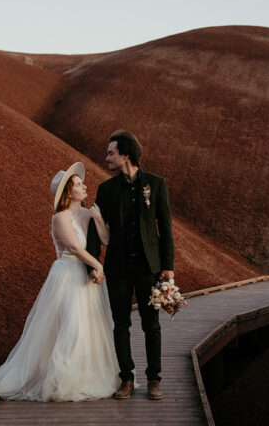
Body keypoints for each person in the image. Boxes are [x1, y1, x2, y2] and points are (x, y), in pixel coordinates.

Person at [0, 162, 120, 401]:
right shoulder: (60, 218)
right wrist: (96, 264)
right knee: (70, 326)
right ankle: (61, 378)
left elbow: (106, 240)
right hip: (67, 276)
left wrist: (97, 217)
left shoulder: (87, 213)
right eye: (78, 185)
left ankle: (83, 374)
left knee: (90, 327)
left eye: (81, 183)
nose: (84, 186)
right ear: (68, 193)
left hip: (87, 277)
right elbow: (74, 247)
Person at [86, 130, 175, 400]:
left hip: (150, 268)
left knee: (152, 325)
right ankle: (126, 378)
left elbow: (166, 227)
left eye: (111, 152)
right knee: (120, 324)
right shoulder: (106, 189)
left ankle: (154, 379)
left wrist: (168, 265)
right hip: (118, 269)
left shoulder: (156, 184)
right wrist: (93, 263)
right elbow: (94, 229)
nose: (107, 157)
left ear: (126, 155)